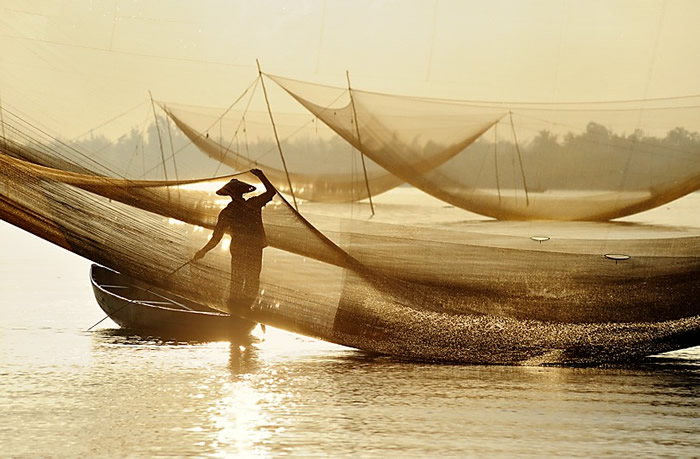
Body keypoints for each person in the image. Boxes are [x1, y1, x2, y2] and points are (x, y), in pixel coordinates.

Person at [193, 168, 276, 312]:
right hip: (246, 248)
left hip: (249, 248)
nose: (236, 194)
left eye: (237, 192)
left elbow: (271, 192)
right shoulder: (236, 209)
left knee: (247, 280)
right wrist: (203, 251)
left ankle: (241, 310)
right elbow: (216, 237)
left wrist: (261, 175)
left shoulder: (251, 204)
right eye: (234, 192)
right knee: (244, 280)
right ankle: (238, 311)